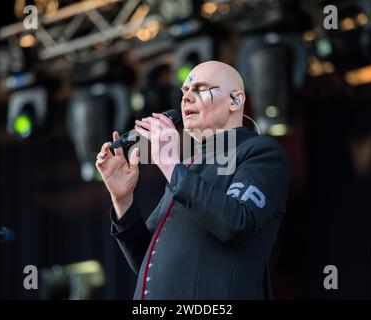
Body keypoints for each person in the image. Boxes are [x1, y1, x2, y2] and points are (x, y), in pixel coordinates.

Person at [95, 60, 290, 299]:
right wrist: (122, 201)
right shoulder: (188, 166)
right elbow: (147, 261)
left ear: (235, 100)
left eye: (200, 88)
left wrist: (169, 164)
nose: (186, 98)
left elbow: (235, 222)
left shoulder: (261, 151)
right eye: (185, 91)